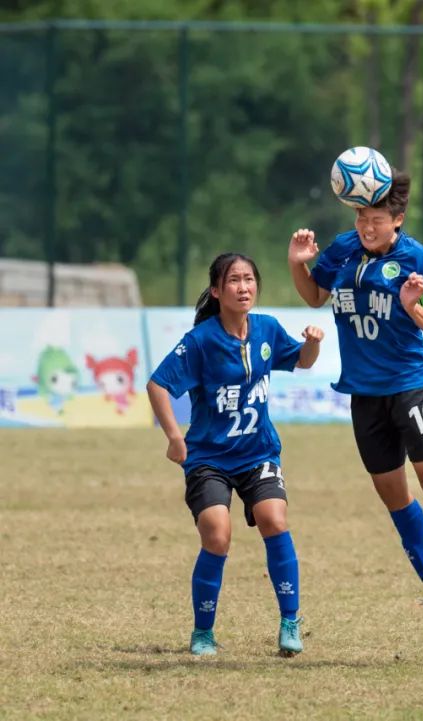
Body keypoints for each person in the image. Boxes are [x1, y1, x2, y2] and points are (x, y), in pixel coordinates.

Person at [287, 165, 423, 637]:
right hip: (363, 393)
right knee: (393, 496)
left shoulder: (418, 258)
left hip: (409, 384)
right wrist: (298, 264)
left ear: (397, 219)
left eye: (376, 217)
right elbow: (315, 296)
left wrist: (411, 307)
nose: (366, 225)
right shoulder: (340, 250)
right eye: (361, 215)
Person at [147, 252, 324, 657]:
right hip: (208, 458)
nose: (243, 287)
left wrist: (312, 344)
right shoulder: (200, 341)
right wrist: (175, 437)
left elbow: (301, 361)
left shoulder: (266, 329)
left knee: (274, 520)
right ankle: (203, 633)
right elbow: (158, 386)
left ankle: (290, 622)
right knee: (217, 534)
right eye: (233, 281)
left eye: (249, 279)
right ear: (216, 290)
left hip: (258, 452)